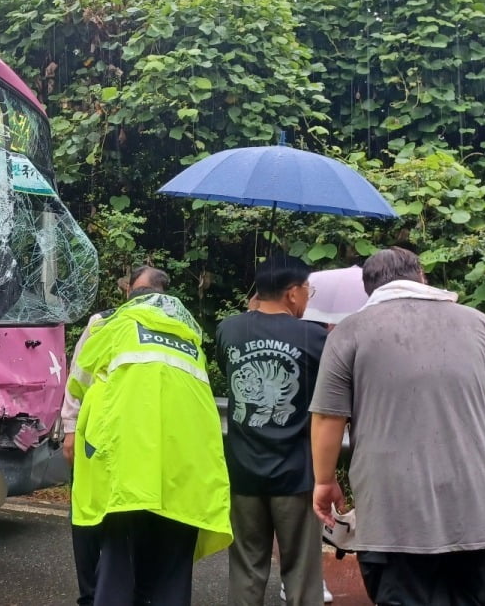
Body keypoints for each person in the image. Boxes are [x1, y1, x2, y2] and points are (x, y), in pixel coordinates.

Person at [309, 246, 485, 604]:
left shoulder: (349, 332)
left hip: (392, 515)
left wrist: (324, 480)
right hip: (479, 508)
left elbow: (327, 416)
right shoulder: (479, 323)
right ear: (421, 277)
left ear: (370, 289)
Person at [68, 270, 232, 605]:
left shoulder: (110, 325)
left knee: (118, 570)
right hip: (184, 474)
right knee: (171, 575)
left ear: (130, 294)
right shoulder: (188, 337)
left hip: (128, 472)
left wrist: (72, 431)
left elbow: (79, 386)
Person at [216, 256, 328, 606]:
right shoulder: (314, 335)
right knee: (302, 573)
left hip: (243, 471)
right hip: (296, 474)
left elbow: (227, 369)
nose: (309, 297)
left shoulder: (229, 328)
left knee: (247, 569)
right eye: (308, 290)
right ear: (293, 293)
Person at [60, 266, 166, 605]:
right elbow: (79, 377)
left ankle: (129, 594)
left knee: (132, 523)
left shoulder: (169, 329)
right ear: (126, 290)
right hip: (95, 440)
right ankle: (89, 596)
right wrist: (70, 428)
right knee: (88, 521)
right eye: (136, 291)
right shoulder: (102, 322)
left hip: (140, 444)